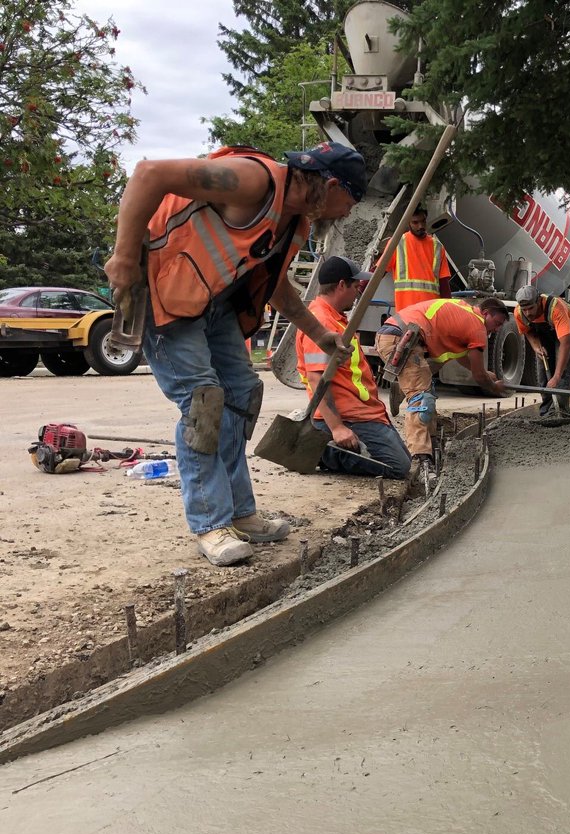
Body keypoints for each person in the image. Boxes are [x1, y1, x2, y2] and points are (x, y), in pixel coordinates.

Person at [104, 141, 366, 567]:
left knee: (242, 393)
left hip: (212, 301)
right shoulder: (254, 180)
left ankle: (240, 514)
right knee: (203, 402)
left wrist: (320, 334)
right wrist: (123, 256)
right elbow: (148, 174)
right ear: (332, 184)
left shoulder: (292, 219)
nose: (349, 212)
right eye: (350, 200)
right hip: (163, 294)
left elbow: (276, 284)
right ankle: (210, 523)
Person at [295, 256, 411, 479]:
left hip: (363, 411)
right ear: (341, 285)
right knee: (398, 467)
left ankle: (321, 439)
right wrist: (338, 427)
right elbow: (316, 377)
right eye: (355, 287)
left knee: (402, 459)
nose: (358, 292)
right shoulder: (321, 322)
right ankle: (316, 448)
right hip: (349, 415)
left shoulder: (334, 317)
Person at [374, 297, 510, 475]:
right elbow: (479, 378)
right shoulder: (478, 326)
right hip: (402, 339)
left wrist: (483, 372)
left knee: (427, 390)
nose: (497, 329)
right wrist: (494, 386)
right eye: (497, 323)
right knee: (421, 399)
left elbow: (461, 356)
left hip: (395, 334)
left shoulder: (463, 310)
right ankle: (420, 457)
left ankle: (430, 438)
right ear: (485, 313)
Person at [513, 285, 570, 414]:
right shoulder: (519, 313)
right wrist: (537, 347)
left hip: (568, 330)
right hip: (545, 331)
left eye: (531, 308)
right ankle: (546, 411)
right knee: (543, 368)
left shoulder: (556, 308)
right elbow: (529, 332)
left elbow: (565, 344)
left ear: (539, 301)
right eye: (525, 309)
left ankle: (561, 410)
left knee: (561, 370)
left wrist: (556, 376)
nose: (528, 313)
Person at [385, 206, 451, 311]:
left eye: (423, 221)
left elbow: (444, 284)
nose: (421, 226)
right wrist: (360, 287)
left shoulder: (437, 246)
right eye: (415, 222)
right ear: (407, 223)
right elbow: (378, 272)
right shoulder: (397, 243)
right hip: (406, 312)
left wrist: (448, 309)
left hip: (430, 312)